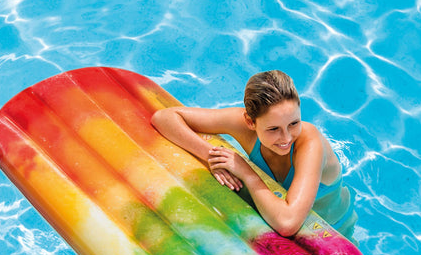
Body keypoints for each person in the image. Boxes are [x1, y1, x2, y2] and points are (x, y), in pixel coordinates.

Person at [151, 70, 357, 238]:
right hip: (280, 221)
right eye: (273, 129)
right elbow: (165, 118)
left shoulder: (309, 142)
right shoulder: (244, 125)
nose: (286, 138)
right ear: (250, 122)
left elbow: (287, 223)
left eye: (294, 123)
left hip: (332, 231)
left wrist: (246, 171)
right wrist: (213, 156)